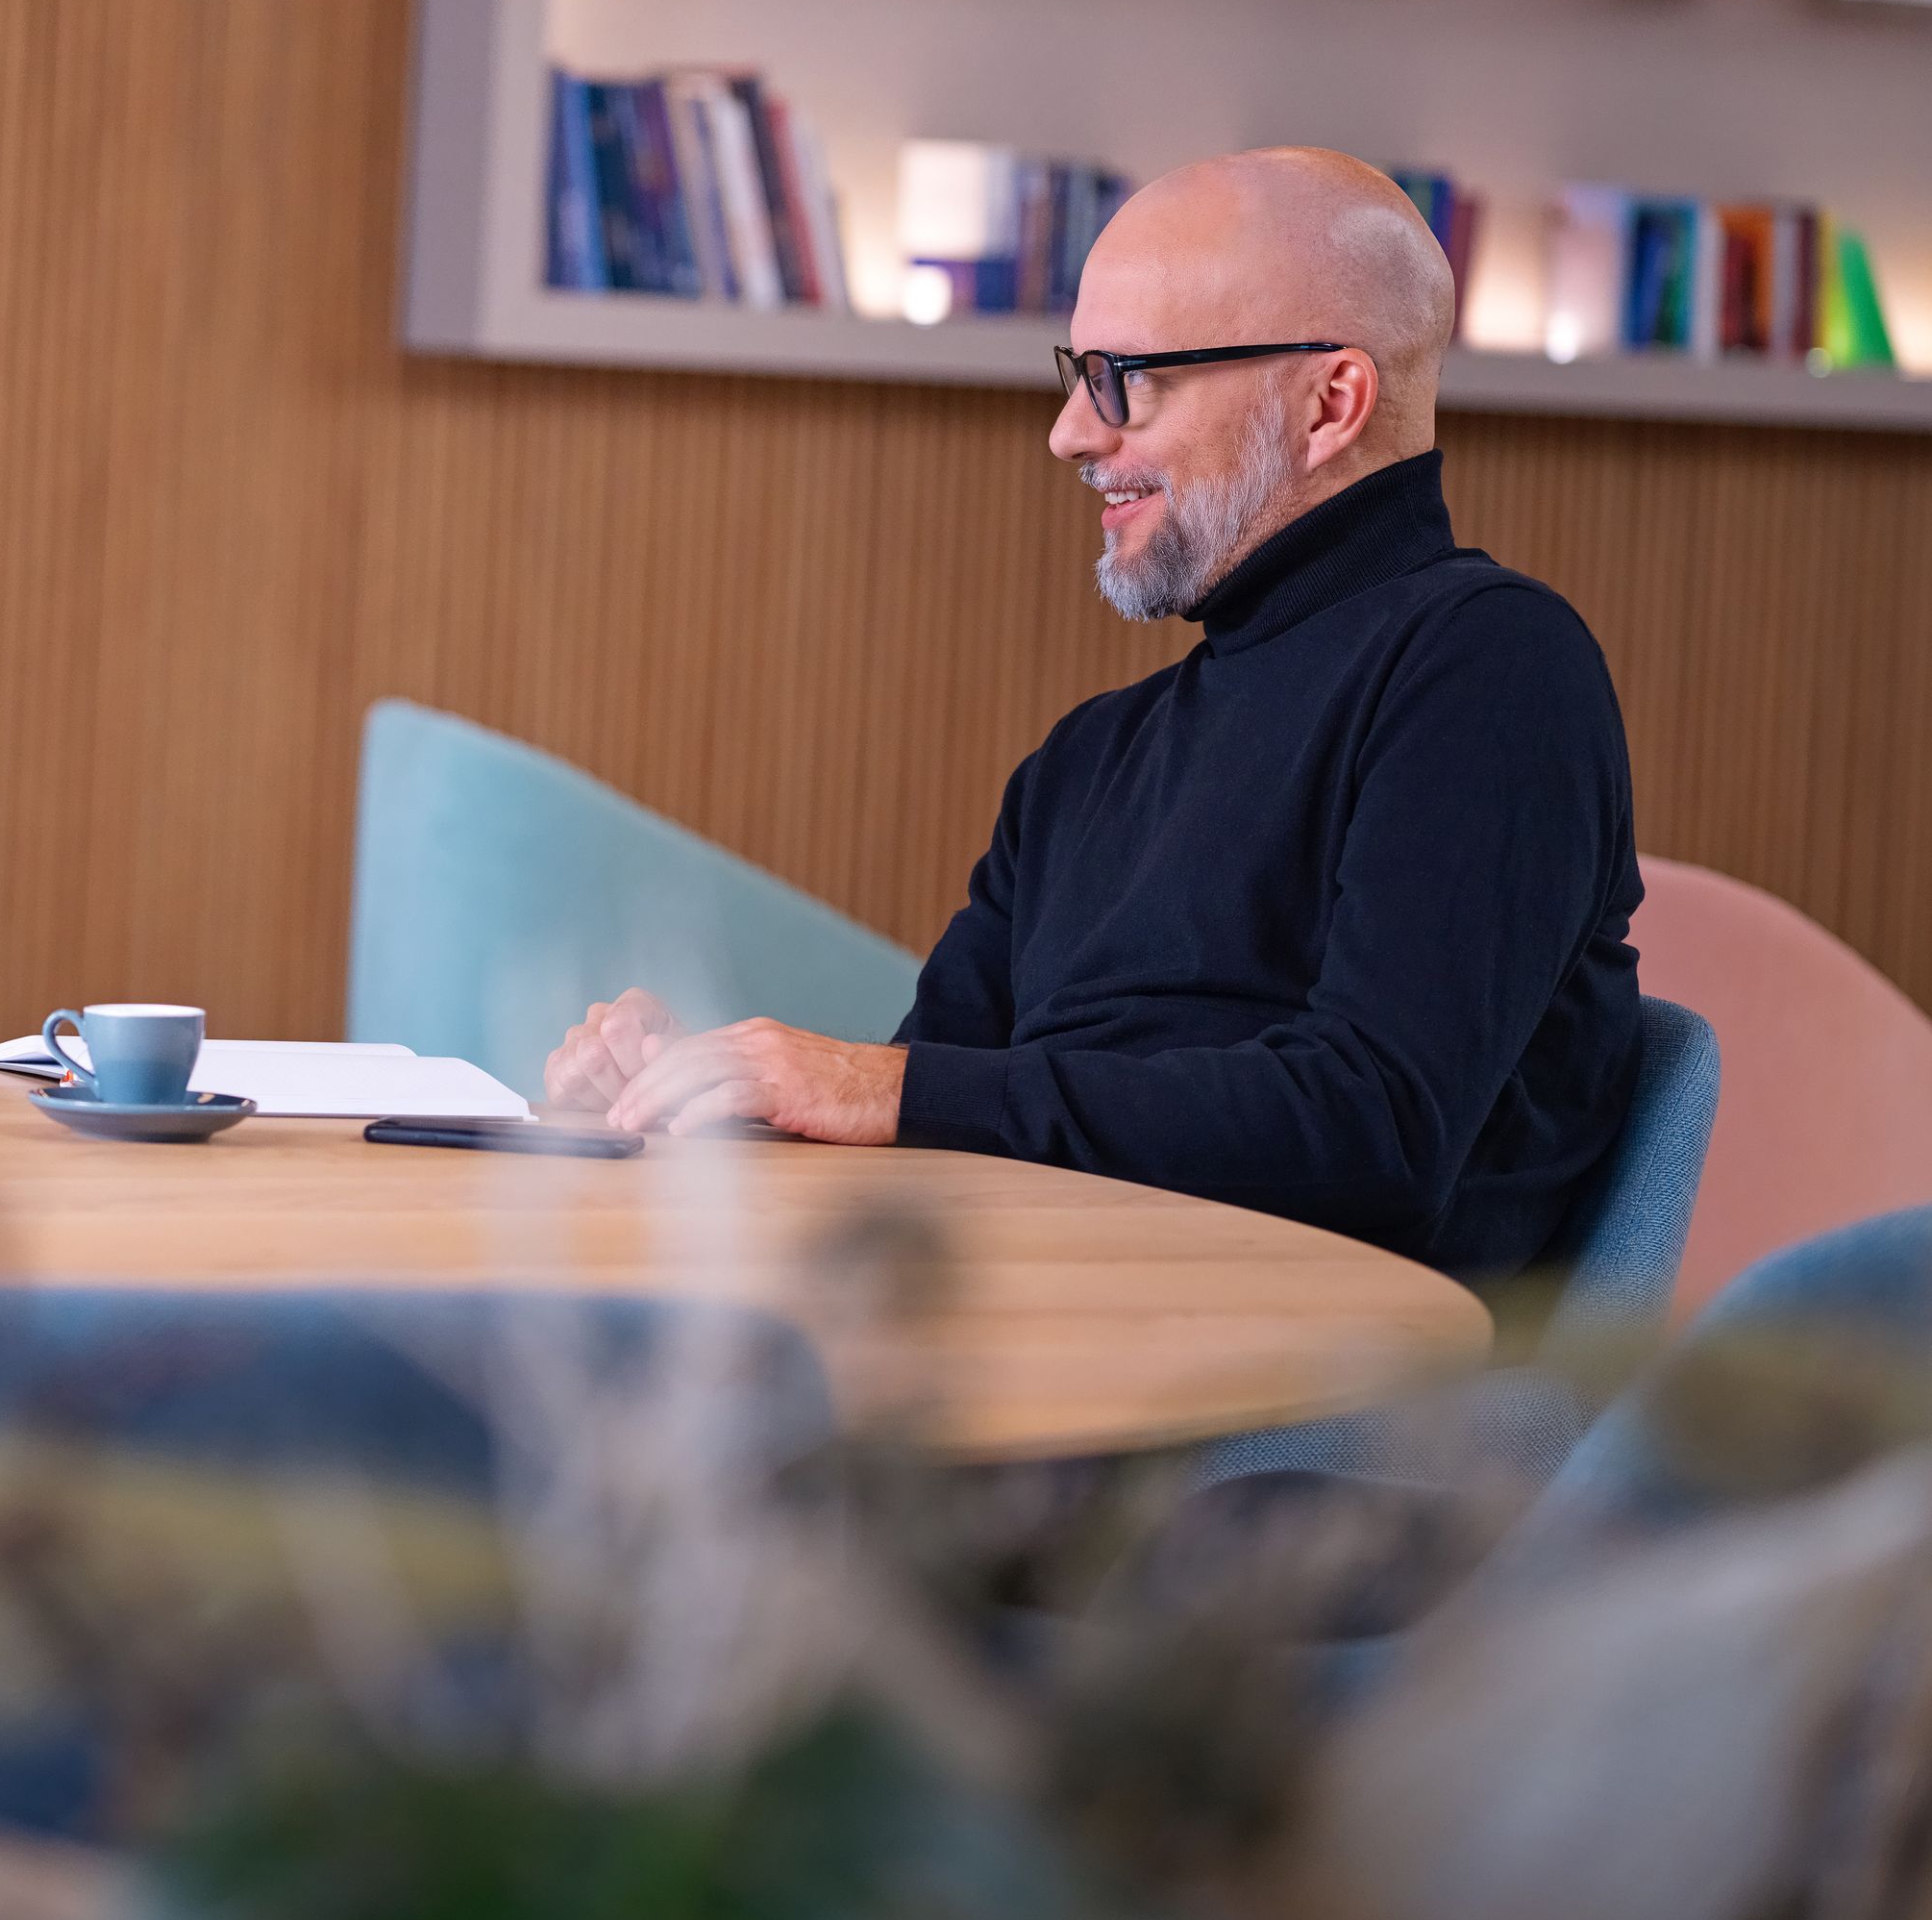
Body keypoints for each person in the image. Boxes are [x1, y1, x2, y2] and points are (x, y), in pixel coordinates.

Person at [547, 147, 1641, 1280]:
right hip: (1021, 1311)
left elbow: (1373, 1135)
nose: (1070, 433)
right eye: (1078, 374)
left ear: (1330, 404)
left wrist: (879, 1089)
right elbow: (926, 1114)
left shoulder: (1490, 663)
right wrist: (708, 1099)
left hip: (1290, 1358)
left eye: (1125, 378)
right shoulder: (1086, 759)